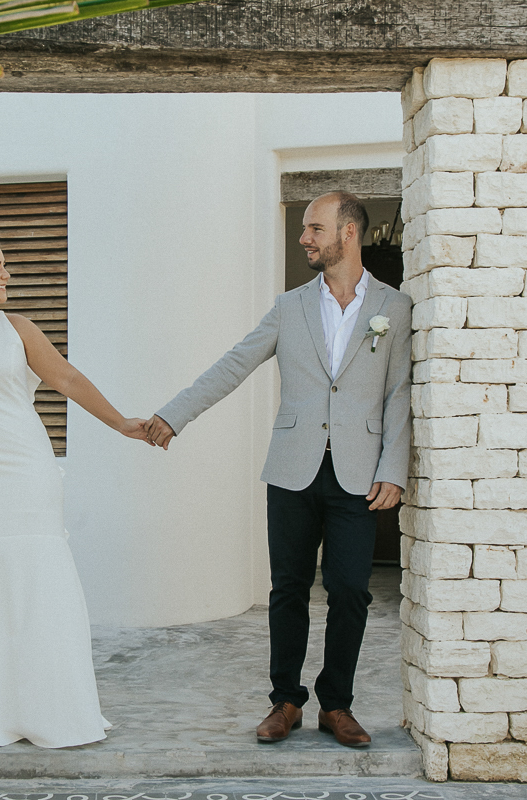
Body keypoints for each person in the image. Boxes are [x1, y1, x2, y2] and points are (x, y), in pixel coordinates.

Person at [144, 191, 410, 748]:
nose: (304, 237)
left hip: (359, 475)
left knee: (350, 591)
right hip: (292, 470)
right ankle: (285, 700)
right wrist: (175, 414)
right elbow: (236, 363)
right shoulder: (290, 307)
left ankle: (336, 705)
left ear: (348, 233)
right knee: (288, 589)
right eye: (305, 228)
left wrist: (394, 469)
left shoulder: (396, 306)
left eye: (315, 228)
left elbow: (398, 396)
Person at [0, 223, 149, 756]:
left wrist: (120, 423)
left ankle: (51, 711)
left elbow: (66, 379)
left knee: (38, 587)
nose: (8, 275)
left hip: (25, 471)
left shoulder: (18, 328)